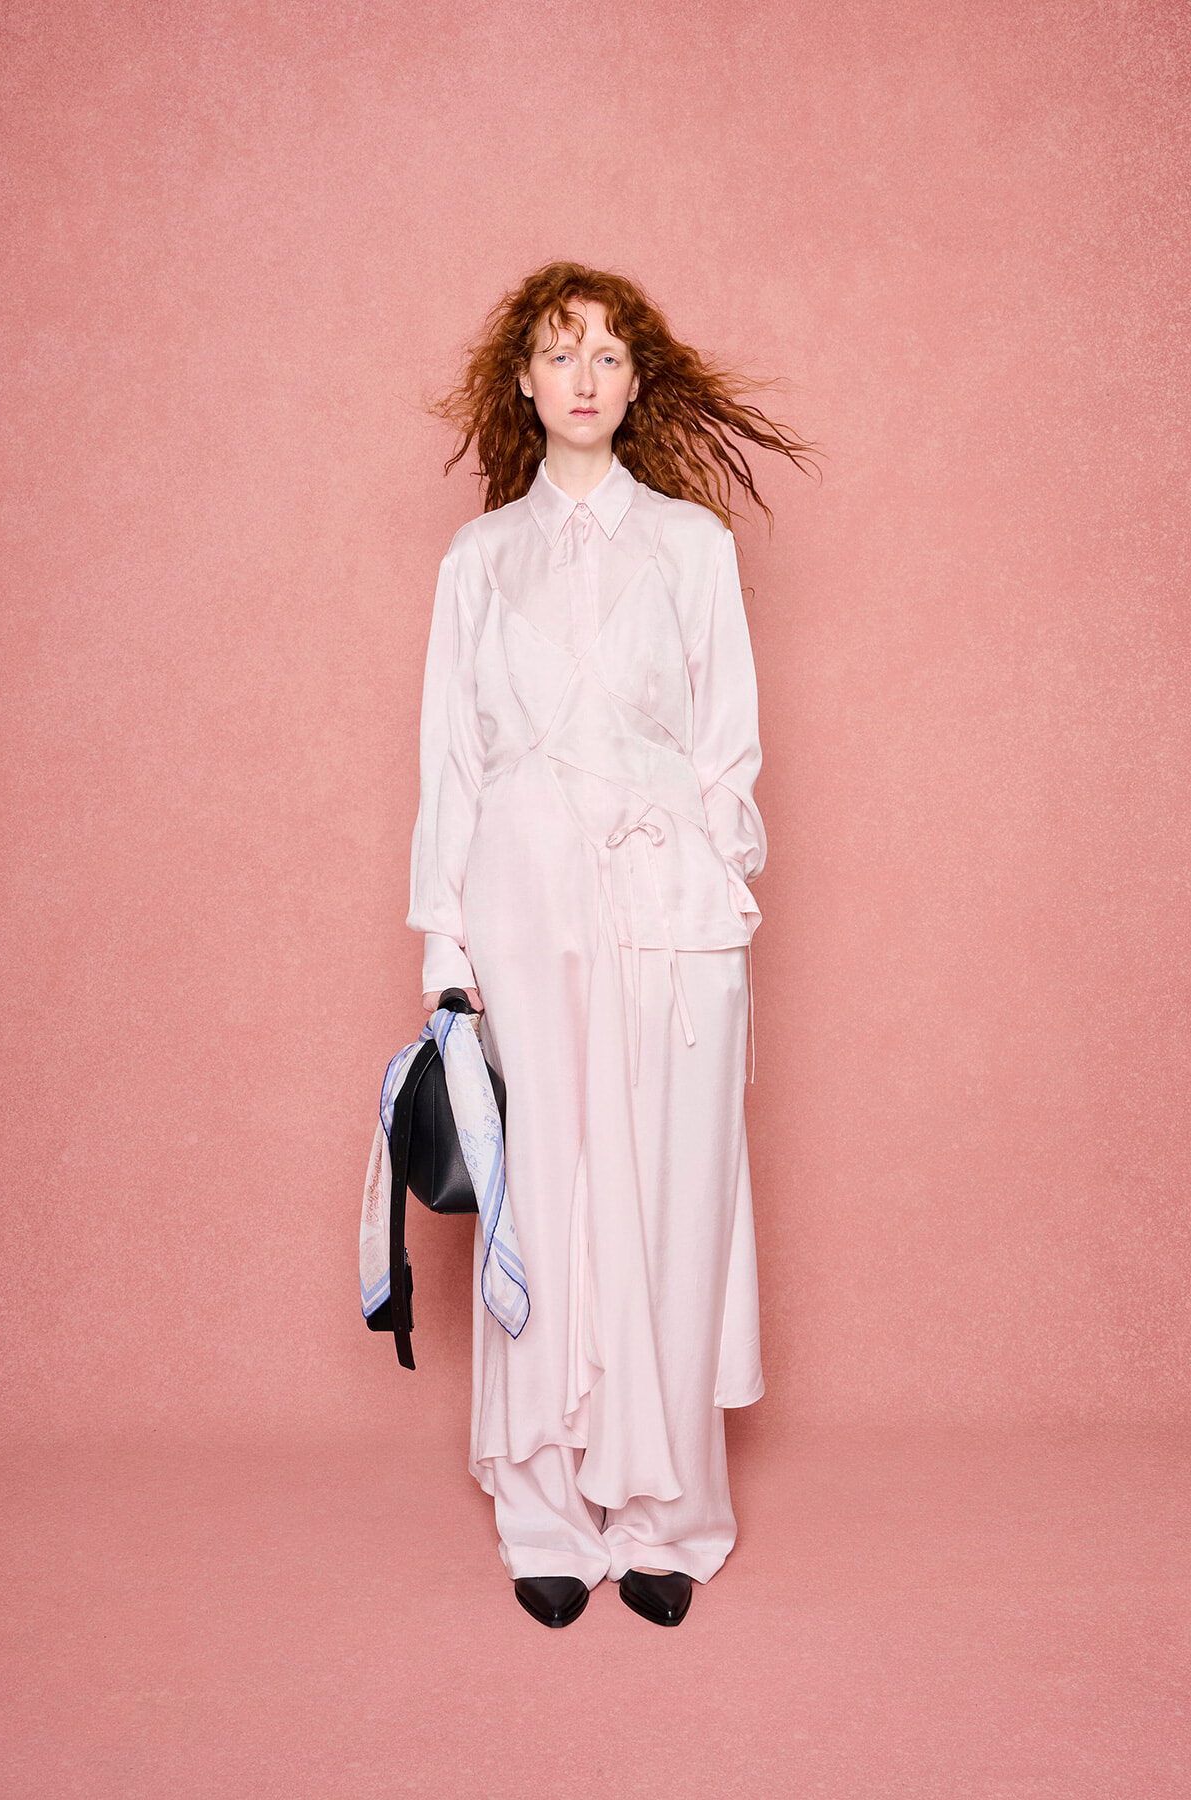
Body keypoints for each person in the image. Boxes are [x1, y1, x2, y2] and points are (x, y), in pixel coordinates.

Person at [406, 262, 815, 1628]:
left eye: (608, 355)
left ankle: (662, 1511)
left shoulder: (691, 547)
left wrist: (714, 903)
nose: (584, 376)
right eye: (557, 352)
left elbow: (728, 754)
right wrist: (446, 959)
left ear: (635, 384)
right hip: (520, 905)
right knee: (549, 1193)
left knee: (667, 1194)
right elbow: (450, 771)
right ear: (523, 381)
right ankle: (542, 1510)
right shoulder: (479, 562)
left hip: (667, 917)